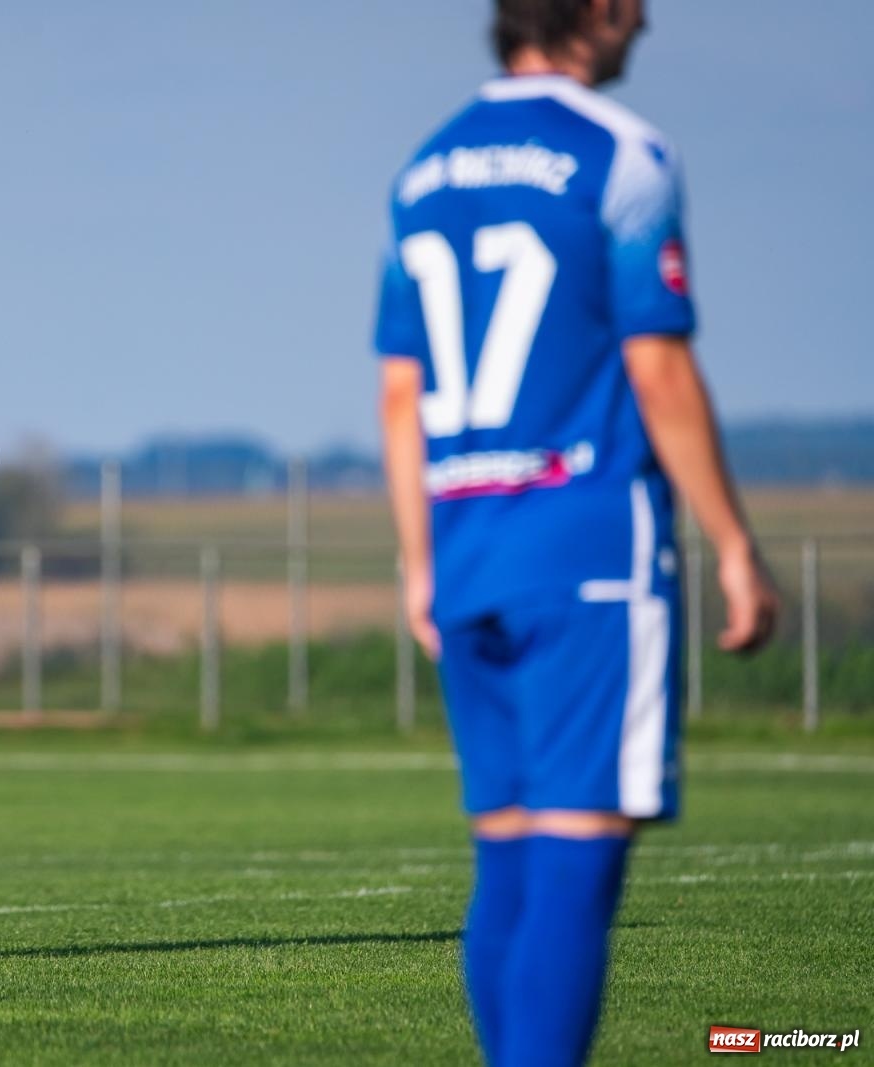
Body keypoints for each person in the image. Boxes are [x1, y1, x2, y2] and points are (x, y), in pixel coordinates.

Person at [373, 2, 777, 1063]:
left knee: (505, 857)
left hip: (465, 552)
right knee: (575, 860)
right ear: (593, 11)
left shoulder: (424, 171)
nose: (645, 16)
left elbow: (398, 392)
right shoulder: (621, 154)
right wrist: (733, 541)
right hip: (585, 549)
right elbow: (657, 363)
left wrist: (420, 563)